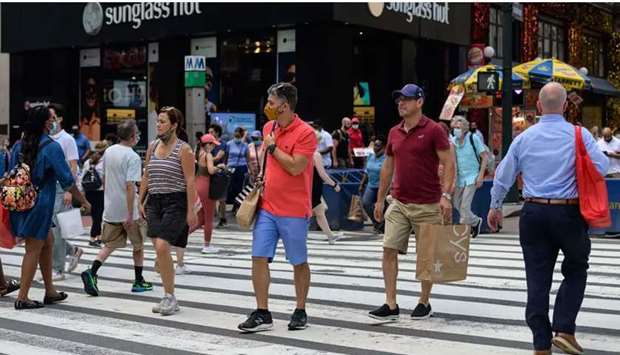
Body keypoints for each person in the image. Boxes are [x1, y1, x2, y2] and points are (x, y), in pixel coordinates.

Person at [488, 83, 608, 355]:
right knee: (576, 268)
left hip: (533, 213)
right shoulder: (580, 134)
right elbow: (600, 167)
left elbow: (503, 175)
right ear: (566, 106)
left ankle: (541, 344)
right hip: (568, 212)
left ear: (539, 107)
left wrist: (495, 206)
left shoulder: (524, 138)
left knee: (537, 278)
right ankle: (564, 329)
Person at [368, 83, 454, 321]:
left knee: (426, 256)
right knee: (388, 248)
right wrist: (379, 200)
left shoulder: (435, 130)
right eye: (399, 100)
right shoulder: (394, 132)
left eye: (406, 99)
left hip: (428, 203)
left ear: (419, 102)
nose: (401, 104)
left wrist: (446, 196)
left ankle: (424, 301)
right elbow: (388, 166)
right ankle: (391, 303)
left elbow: (449, 163)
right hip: (399, 202)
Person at [238, 82, 317, 332]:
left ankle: (300, 309)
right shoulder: (268, 127)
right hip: (267, 207)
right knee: (258, 257)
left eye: (271, 103)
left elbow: (295, 166)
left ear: (284, 105)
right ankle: (262, 311)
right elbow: (267, 160)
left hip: (294, 209)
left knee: (298, 261)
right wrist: (262, 175)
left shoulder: (305, 133)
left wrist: (273, 147)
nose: (267, 107)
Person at [9, 105, 91, 309]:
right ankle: (22, 297)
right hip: (41, 205)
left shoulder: (19, 145)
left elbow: (11, 172)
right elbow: (67, 179)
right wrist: (83, 200)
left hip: (21, 202)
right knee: (33, 249)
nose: (53, 121)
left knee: (49, 240)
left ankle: (50, 291)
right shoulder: (51, 147)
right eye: (51, 118)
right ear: (47, 123)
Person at [81, 119, 153, 296]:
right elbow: (130, 186)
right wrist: (130, 213)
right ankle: (138, 280)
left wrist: (110, 200)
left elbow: (105, 180)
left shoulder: (109, 152)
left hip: (111, 208)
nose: (138, 135)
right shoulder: (133, 157)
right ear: (132, 136)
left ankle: (92, 272)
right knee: (138, 246)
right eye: (136, 132)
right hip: (128, 211)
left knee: (109, 245)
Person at [139, 106, 197, 316]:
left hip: (176, 202)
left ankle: (169, 296)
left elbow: (190, 181)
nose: (158, 125)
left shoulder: (184, 150)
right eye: (157, 122)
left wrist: (191, 210)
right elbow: (146, 174)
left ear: (174, 125)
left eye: (162, 122)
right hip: (154, 201)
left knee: (162, 246)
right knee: (159, 247)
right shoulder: (152, 146)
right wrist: (141, 199)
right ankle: (165, 271)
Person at [49, 103, 84, 280]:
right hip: (47, 187)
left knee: (56, 229)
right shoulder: (46, 138)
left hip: (61, 188)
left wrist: (69, 189)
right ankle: (73, 250)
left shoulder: (67, 140)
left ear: (60, 119)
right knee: (51, 228)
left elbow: (73, 166)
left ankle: (58, 269)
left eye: (53, 117)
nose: (50, 121)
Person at [451, 116, 488, 238]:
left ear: (465, 128)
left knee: (465, 206)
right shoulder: (453, 140)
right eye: (455, 127)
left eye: (459, 127)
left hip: (472, 176)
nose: (456, 129)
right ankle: (475, 221)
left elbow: (485, 157)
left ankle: (462, 233)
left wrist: (480, 175)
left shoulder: (473, 138)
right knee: (456, 203)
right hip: (460, 177)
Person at [189, 133, 220, 255]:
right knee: (208, 218)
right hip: (207, 188)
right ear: (208, 144)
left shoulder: (198, 153)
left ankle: (180, 237)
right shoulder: (208, 154)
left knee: (201, 219)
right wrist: (220, 167)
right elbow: (211, 170)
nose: (214, 147)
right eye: (213, 145)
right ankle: (207, 245)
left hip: (198, 186)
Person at [311, 150, 343, 244]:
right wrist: (334, 184)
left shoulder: (301, 153)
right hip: (314, 186)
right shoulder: (315, 154)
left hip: (306, 185)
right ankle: (331, 237)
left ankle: (331, 236)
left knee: (320, 211)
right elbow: (322, 174)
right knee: (317, 211)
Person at [81, 141, 108, 247]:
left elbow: (82, 177)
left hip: (89, 191)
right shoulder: (105, 162)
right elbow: (105, 179)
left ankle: (99, 236)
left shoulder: (88, 161)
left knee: (95, 215)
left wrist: (82, 192)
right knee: (98, 216)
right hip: (100, 192)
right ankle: (92, 238)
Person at [359, 135, 387, 234]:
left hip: (383, 186)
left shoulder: (387, 158)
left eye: (378, 146)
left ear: (384, 147)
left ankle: (384, 225)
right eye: (375, 145)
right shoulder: (371, 156)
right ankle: (377, 223)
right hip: (371, 185)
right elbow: (367, 171)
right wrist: (362, 183)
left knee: (384, 206)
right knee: (366, 203)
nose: (375, 148)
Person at [226, 127, 250, 214]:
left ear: (242, 135)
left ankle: (237, 206)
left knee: (239, 188)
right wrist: (225, 166)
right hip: (231, 167)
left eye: (239, 135)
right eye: (235, 134)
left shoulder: (245, 145)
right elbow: (226, 156)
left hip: (241, 168)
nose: (236, 136)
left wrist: (250, 170)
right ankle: (232, 204)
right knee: (230, 187)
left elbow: (248, 159)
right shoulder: (229, 144)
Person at [208, 123, 228, 228]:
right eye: (209, 132)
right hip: (210, 172)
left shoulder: (222, 144)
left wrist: (208, 159)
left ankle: (222, 217)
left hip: (220, 173)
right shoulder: (209, 144)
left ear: (217, 133)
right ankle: (212, 217)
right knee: (210, 197)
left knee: (221, 198)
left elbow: (219, 156)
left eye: (211, 132)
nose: (210, 133)